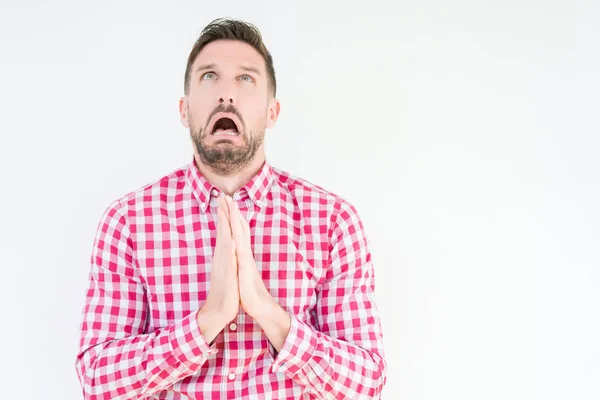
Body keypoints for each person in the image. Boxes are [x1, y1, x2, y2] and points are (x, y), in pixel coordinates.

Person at [75, 18, 387, 399]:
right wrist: (207, 320)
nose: (227, 95)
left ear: (272, 112)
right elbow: (97, 379)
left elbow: (367, 383)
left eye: (246, 79)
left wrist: (268, 312)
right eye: (209, 77)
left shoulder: (333, 220)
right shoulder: (128, 221)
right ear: (185, 110)